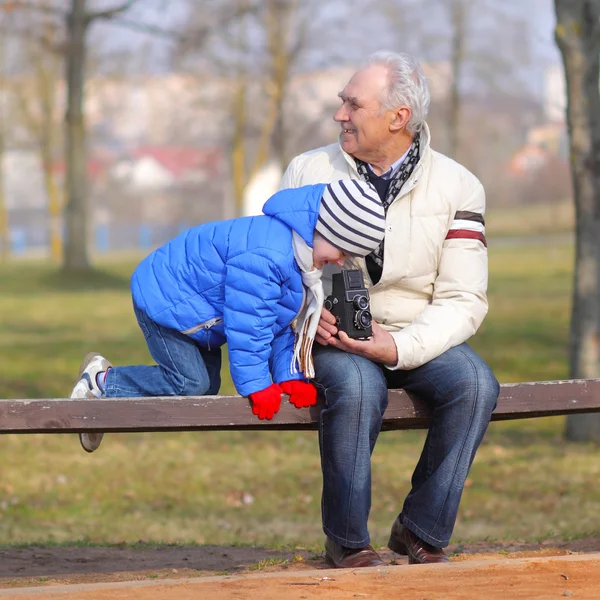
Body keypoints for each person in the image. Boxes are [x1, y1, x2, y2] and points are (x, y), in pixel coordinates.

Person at [279, 51, 500, 568]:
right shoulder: (308, 171)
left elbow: (463, 299)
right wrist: (308, 313)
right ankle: (349, 542)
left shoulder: (459, 186)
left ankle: (420, 529)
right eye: (341, 103)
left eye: (353, 105)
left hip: (419, 333)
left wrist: (398, 345)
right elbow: (277, 266)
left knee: (475, 385)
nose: (340, 115)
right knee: (358, 386)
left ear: (398, 118)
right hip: (333, 335)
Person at [70, 180, 385, 453]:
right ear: (325, 229)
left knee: (205, 388)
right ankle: (102, 382)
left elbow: (277, 323)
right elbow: (248, 326)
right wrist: (258, 385)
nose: (341, 262)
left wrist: (289, 378)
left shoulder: (298, 258)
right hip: (166, 299)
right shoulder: (268, 255)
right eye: (342, 251)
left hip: (200, 309)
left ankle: (101, 394)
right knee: (190, 385)